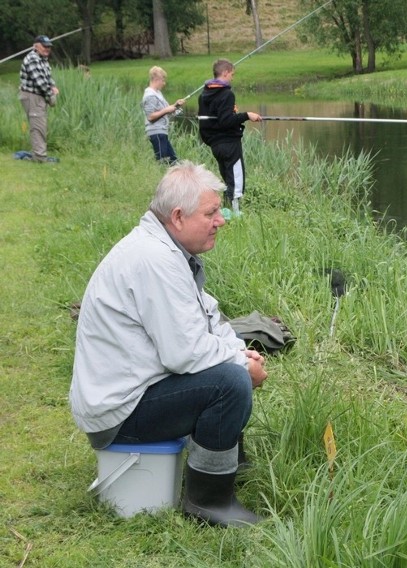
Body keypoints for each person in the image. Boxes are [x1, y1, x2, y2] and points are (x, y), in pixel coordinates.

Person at [69, 162, 269, 527]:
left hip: (129, 394)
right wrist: (243, 365)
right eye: (211, 213)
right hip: (118, 415)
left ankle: (227, 466)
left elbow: (209, 318)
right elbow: (185, 354)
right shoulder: (154, 260)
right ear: (178, 217)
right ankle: (209, 501)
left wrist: (240, 351)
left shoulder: (167, 251)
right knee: (229, 383)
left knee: (228, 369)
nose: (221, 220)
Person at [198, 59, 262, 217]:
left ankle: (226, 211)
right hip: (229, 143)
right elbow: (226, 121)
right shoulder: (226, 94)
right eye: (232, 74)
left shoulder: (204, 94)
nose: (232, 78)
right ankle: (235, 215)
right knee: (236, 180)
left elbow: (211, 120)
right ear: (225, 73)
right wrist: (247, 115)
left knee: (228, 179)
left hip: (215, 144)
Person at [18, 35, 60, 163]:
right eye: (44, 46)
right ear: (36, 46)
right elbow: (40, 82)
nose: (47, 49)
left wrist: (52, 85)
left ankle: (39, 155)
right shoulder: (33, 59)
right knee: (38, 127)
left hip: (39, 96)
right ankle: (40, 158)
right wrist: (51, 95)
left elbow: (47, 77)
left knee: (40, 125)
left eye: (49, 46)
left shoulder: (43, 59)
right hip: (32, 96)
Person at [142, 66, 185, 164]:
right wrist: (166, 110)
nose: (164, 83)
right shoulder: (150, 95)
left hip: (162, 131)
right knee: (163, 161)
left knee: (173, 161)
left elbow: (165, 110)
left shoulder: (158, 93)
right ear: (156, 79)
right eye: (163, 80)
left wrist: (176, 105)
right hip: (156, 132)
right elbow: (151, 117)